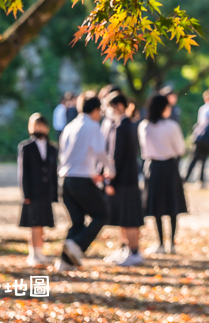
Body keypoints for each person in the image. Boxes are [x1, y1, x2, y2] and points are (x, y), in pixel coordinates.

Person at [56, 92, 109, 271]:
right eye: (99, 111)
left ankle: (64, 262)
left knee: (77, 221)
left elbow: (65, 154)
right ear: (95, 110)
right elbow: (101, 152)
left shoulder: (70, 126)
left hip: (66, 179)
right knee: (101, 214)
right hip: (81, 179)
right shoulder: (93, 126)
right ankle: (77, 245)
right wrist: (111, 169)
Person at [139, 93, 188, 255]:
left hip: (153, 167)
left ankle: (160, 243)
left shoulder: (144, 126)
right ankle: (171, 244)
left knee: (157, 206)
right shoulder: (171, 126)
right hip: (169, 166)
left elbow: (144, 151)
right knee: (172, 205)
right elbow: (180, 149)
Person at [102, 93, 145, 267]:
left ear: (119, 106)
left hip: (124, 179)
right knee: (124, 217)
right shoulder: (129, 124)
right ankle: (127, 249)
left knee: (129, 218)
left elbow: (116, 156)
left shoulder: (122, 126)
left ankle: (134, 251)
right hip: (129, 177)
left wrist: (110, 180)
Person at [18, 113, 58, 266]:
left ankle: (40, 252)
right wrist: (26, 194)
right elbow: (23, 173)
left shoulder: (52, 148)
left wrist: (54, 193)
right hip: (33, 192)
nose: (39, 128)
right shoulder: (25, 147)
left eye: (41, 125)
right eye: (36, 125)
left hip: (46, 192)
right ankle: (33, 253)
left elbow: (53, 172)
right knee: (34, 223)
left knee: (42, 222)